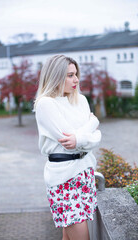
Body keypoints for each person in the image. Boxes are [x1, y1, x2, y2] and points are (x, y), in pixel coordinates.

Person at [34, 55, 101, 240]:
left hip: (85, 172)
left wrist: (82, 136)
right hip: (63, 178)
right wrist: (93, 123)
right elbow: (68, 141)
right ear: (55, 76)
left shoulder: (81, 100)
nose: (76, 79)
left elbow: (96, 137)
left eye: (76, 74)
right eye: (70, 75)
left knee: (68, 236)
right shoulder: (46, 104)